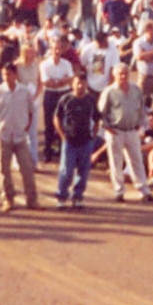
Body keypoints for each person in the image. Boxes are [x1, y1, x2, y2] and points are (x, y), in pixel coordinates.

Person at [0, 62, 39, 212]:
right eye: (4, 74)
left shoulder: (25, 92)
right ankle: (8, 199)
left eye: (9, 74)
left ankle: (32, 200)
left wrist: (26, 128)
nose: (6, 77)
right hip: (3, 136)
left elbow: (31, 112)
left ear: (15, 75)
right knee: (3, 170)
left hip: (20, 137)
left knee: (27, 169)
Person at [98, 62, 153, 203]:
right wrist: (107, 128)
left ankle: (144, 190)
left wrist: (140, 124)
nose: (123, 76)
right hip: (115, 131)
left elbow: (141, 108)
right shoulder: (109, 91)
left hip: (132, 130)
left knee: (137, 161)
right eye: (120, 74)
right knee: (116, 162)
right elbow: (101, 112)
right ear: (115, 76)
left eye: (125, 73)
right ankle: (119, 191)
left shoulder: (136, 90)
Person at [54, 73, 98, 209]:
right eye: (77, 83)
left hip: (86, 141)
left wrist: (94, 134)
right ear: (72, 84)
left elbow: (97, 118)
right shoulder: (66, 99)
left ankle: (78, 197)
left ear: (86, 84)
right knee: (66, 171)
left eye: (83, 83)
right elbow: (57, 118)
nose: (80, 86)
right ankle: (61, 197)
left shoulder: (90, 100)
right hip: (70, 141)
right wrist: (62, 135)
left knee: (83, 172)